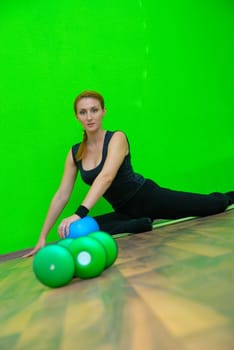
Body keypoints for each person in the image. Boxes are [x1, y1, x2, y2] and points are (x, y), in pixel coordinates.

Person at [24, 90, 234, 257]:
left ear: (104, 111)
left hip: (148, 197)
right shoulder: (74, 153)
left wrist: (79, 213)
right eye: (83, 112)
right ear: (76, 116)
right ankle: (138, 224)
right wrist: (42, 237)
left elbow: (106, 177)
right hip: (123, 210)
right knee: (74, 232)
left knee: (213, 206)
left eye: (94, 110)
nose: (89, 117)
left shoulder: (117, 138)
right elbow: (62, 195)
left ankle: (229, 196)